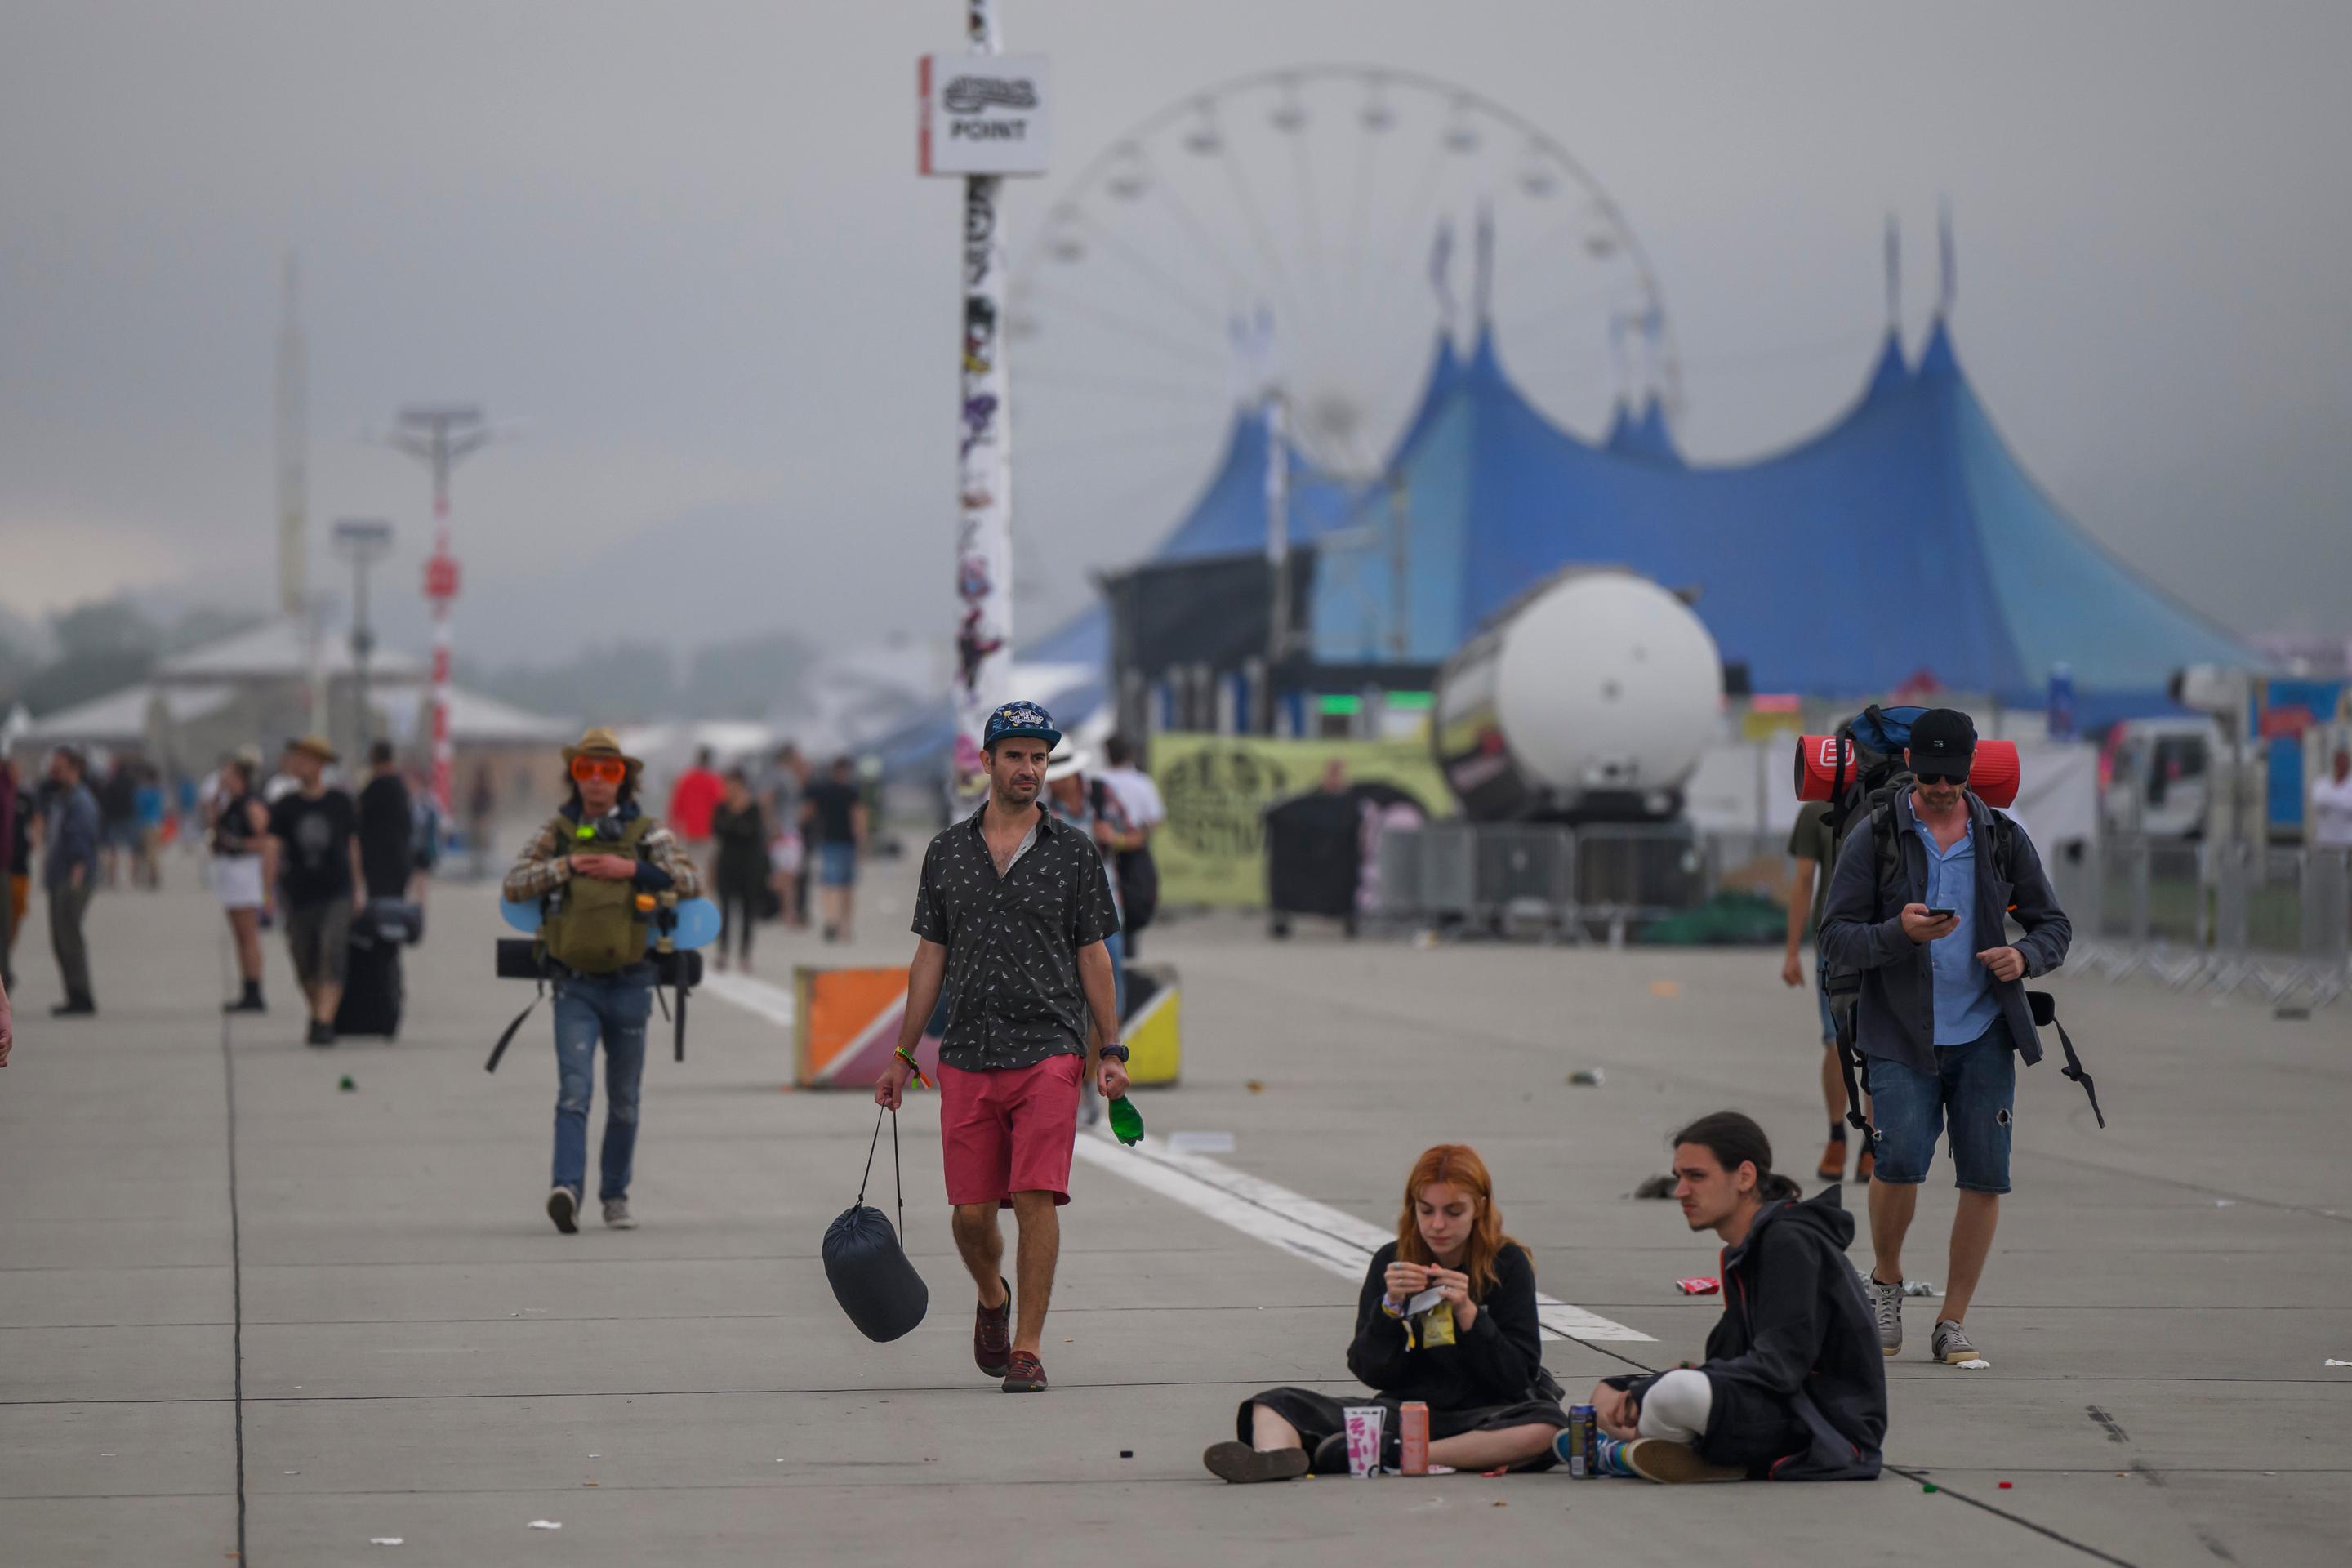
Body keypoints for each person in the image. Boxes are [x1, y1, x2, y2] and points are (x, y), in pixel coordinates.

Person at [875, 701, 1124, 1395]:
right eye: (1015, 756)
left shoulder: (1074, 852)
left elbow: (1094, 956)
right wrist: (901, 1055)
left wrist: (1112, 1049)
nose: (1030, 769)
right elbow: (931, 956)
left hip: (1049, 1047)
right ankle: (992, 1295)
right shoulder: (947, 852)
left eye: (1040, 757)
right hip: (967, 1053)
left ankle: (1028, 1348)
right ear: (985, 763)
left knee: (1036, 1194)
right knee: (971, 1215)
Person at [1819, 707, 2071, 1368]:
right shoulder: (1875, 834)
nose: (1939, 788)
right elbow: (1835, 937)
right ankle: (1886, 1281)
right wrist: (1897, 932)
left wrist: (2025, 959)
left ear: (1969, 773)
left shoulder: (2000, 836)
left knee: (1986, 1176)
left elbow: (2053, 926)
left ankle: (1953, 1320)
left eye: (1952, 779)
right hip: (1899, 1031)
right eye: (1928, 775)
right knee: (1898, 1162)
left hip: (1986, 1029)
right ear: (1909, 766)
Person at [1205, 1143, 1570, 1482]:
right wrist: (1390, 1309)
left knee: (1548, 1425)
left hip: (1486, 1415)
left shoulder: (1506, 1263)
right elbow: (1370, 1370)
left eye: (1453, 1212)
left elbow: (1516, 1377)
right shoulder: (1393, 1261)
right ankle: (1276, 1457)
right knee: (1274, 1403)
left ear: (1480, 1208)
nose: (1438, 1225)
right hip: (1404, 1412)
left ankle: (1402, 1456)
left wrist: (1470, 1313)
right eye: (1426, 1211)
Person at [1579, 1112, 1886, 1483]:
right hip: (1782, 1405)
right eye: (1679, 1178)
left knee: (1671, 1394)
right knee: (1610, 1390)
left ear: (1744, 1176)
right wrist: (1639, 1388)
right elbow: (1736, 1361)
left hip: (1826, 1426)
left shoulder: (1789, 1242)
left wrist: (1657, 1389)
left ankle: (1643, 1451)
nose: (1680, 1192)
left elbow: (1779, 1367)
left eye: (1696, 1176)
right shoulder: (1744, 1250)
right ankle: (1660, 1450)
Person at [504, 728, 702, 1234]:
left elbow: (690, 881)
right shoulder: (560, 831)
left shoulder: (647, 833)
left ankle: (615, 1197)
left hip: (632, 983)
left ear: (624, 779)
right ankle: (566, 1190)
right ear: (575, 777)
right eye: (586, 770)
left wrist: (629, 868)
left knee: (625, 1099)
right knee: (574, 1091)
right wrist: (566, 866)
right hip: (574, 986)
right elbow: (516, 881)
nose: (596, 780)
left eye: (607, 771)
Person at [1782, 800, 1870, 1184]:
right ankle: (1844, 1137)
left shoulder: (1899, 796)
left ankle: (1866, 1141)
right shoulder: (1819, 809)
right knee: (1840, 1043)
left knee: (1861, 1044)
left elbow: (1803, 881)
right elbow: (1804, 881)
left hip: (1882, 937)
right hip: (1835, 940)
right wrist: (1791, 951)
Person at [268, 736, 364, 1047]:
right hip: (298, 894)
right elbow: (272, 850)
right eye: (297, 759)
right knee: (303, 958)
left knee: (331, 950)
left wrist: (359, 888)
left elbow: (352, 847)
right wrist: (266, 892)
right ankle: (318, 1013)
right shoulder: (285, 806)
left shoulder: (340, 803)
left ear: (320, 764)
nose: (299, 765)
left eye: (306, 759)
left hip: (336, 891)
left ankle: (324, 1022)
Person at [42, 746, 103, 1017]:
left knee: (70, 937)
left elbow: (83, 839)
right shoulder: (61, 798)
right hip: (59, 877)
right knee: (60, 938)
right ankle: (73, 993)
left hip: (72, 879)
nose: (54, 772)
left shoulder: (81, 801)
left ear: (74, 769)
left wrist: (76, 877)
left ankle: (81, 995)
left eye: (59, 768)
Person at [211, 751, 273, 1013]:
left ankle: (254, 988)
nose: (223, 779)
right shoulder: (229, 802)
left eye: (228, 775)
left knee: (248, 935)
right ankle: (246, 985)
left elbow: (268, 841)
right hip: (230, 871)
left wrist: (239, 844)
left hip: (246, 871)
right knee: (239, 934)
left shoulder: (251, 804)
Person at [1093, 735, 1164, 956]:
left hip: (1101, 851)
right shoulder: (1142, 783)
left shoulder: (1097, 781)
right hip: (1131, 852)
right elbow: (1156, 819)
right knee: (1130, 911)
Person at [708, 768, 770, 973]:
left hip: (750, 867)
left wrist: (736, 822)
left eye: (734, 785)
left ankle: (745, 955)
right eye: (728, 785)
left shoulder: (753, 808)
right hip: (727, 865)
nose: (730, 789)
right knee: (724, 911)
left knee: (747, 912)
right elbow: (718, 830)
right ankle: (723, 952)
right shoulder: (721, 808)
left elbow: (752, 832)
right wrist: (735, 821)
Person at [802, 755, 868, 943]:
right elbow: (858, 818)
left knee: (829, 884)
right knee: (846, 886)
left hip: (828, 841)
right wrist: (862, 843)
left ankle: (831, 919)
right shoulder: (852, 792)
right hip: (846, 842)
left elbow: (808, 812)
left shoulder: (822, 790)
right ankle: (844, 926)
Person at [356, 742, 419, 904]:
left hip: (378, 863)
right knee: (394, 908)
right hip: (399, 859)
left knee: (380, 909)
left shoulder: (375, 788)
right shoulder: (400, 787)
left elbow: (359, 822)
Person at [666, 745, 724, 881]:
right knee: (706, 868)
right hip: (709, 830)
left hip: (689, 830)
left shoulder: (686, 778)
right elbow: (720, 804)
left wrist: (672, 826)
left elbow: (676, 804)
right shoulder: (714, 780)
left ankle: (691, 890)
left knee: (690, 865)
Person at [3, 758, 33, 991]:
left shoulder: (22, 796)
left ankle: (6, 968)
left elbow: (34, 823)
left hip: (19, 867)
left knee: (14, 920)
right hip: (6, 867)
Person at [2311, 746, 2352, 850]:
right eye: (2340, 762)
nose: (2343, 765)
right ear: (2335, 763)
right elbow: (2318, 801)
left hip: (2347, 842)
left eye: (2345, 762)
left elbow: (2349, 806)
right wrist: (2341, 800)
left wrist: (2330, 799)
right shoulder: (2322, 783)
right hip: (2325, 842)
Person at [468, 765, 498, 880]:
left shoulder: (486, 791)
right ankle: (478, 868)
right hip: (477, 821)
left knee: (484, 846)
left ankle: (483, 869)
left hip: (484, 821)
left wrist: (486, 819)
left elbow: (489, 805)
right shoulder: (476, 791)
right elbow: (473, 806)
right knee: (477, 847)